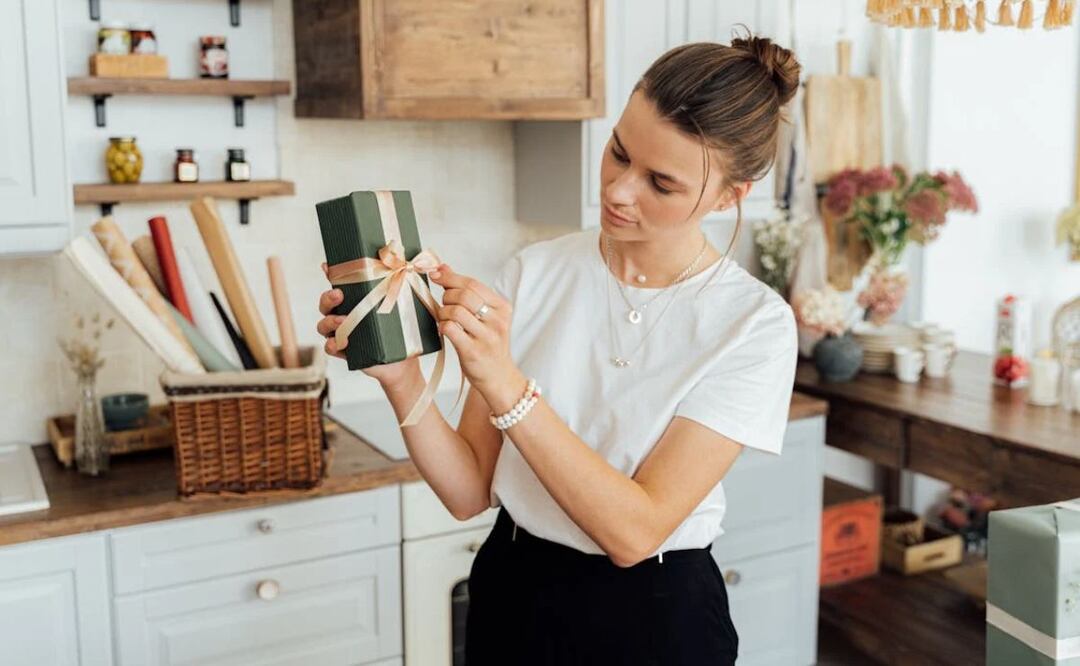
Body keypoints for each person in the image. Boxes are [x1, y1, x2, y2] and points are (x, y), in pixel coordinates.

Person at [317, 29, 803, 666]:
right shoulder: (535, 272)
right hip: (514, 594)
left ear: (728, 196)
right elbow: (468, 492)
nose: (619, 190)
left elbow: (634, 531)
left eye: (661, 183)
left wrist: (506, 384)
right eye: (618, 152)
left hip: (657, 616)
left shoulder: (753, 324)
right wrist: (402, 378)